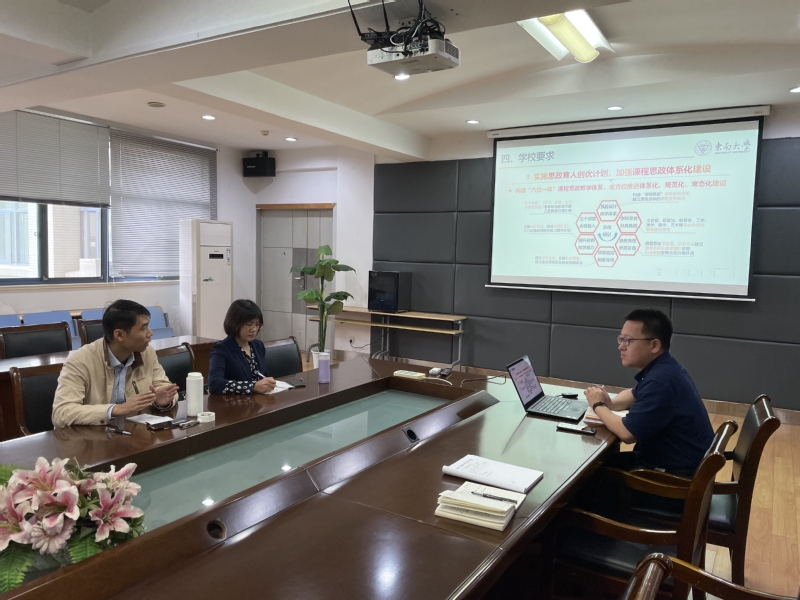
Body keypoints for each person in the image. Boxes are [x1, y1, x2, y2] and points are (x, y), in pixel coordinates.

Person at [584, 308, 714, 477]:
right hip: (674, 463)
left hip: (674, 477)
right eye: (621, 339)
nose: (620, 346)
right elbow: (633, 394)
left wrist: (598, 405)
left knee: (588, 475)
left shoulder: (661, 381)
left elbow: (627, 434)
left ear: (654, 345)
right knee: (597, 465)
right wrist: (610, 403)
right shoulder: (665, 368)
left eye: (628, 340)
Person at [52, 300, 179, 428]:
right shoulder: (80, 362)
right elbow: (61, 413)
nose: (150, 333)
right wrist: (115, 409)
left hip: (134, 433)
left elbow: (164, 387)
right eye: (143, 328)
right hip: (93, 436)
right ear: (119, 335)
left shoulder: (147, 353)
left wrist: (161, 402)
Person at [208, 299, 276, 395]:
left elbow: (263, 375)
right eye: (248, 324)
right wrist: (252, 387)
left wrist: (267, 383)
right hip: (233, 402)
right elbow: (214, 384)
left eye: (257, 324)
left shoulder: (258, 345)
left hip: (259, 400)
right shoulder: (221, 349)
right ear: (235, 323)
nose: (254, 329)